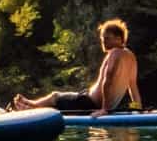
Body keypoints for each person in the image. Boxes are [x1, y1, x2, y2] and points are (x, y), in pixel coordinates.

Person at [11, 19, 143, 116]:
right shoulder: (131, 57)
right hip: (89, 100)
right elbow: (133, 88)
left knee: (55, 97)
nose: (103, 41)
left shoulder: (115, 53)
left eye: (107, 38)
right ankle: (29, 105)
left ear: (119, 39)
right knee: (57, 100)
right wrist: (138, 109)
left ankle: (29, 107)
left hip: (88, 103)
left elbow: (107, 81)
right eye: (102, 38)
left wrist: (105, 110)